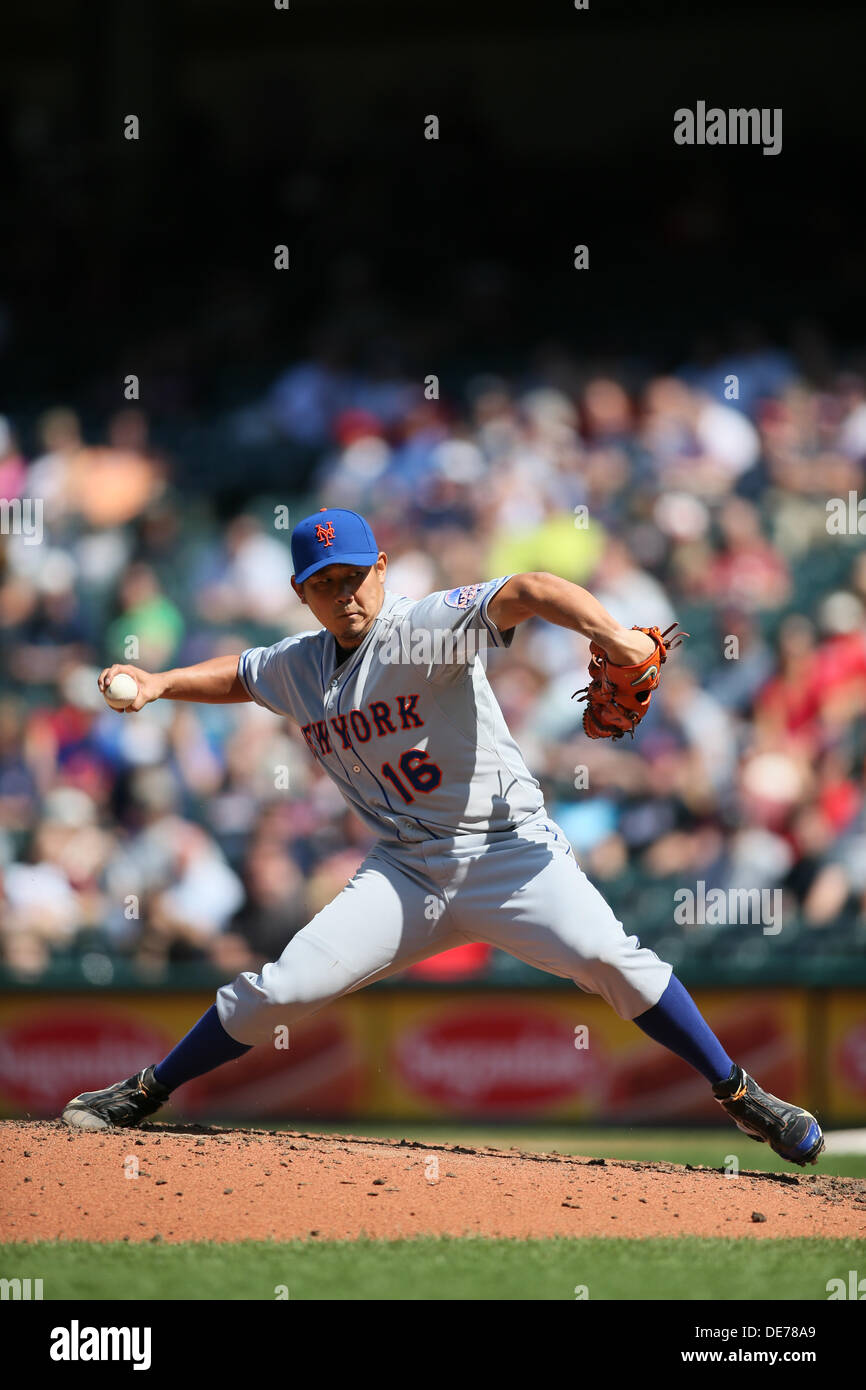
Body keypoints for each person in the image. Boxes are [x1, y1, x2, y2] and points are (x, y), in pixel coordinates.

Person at [61, 508, 824, 1166]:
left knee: (610, 959)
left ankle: (740, 1091)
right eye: (325, 582)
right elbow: (243, 673)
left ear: (382, 569)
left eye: (356, 573)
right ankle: (145, 1090)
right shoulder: (299, 665)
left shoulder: (421, 628)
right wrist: (160, 683)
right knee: (284, 988)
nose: (345, 591)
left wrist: (612, 632)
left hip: (510, 854)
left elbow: (527, 590)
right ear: (302, 594)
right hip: (406, 874)